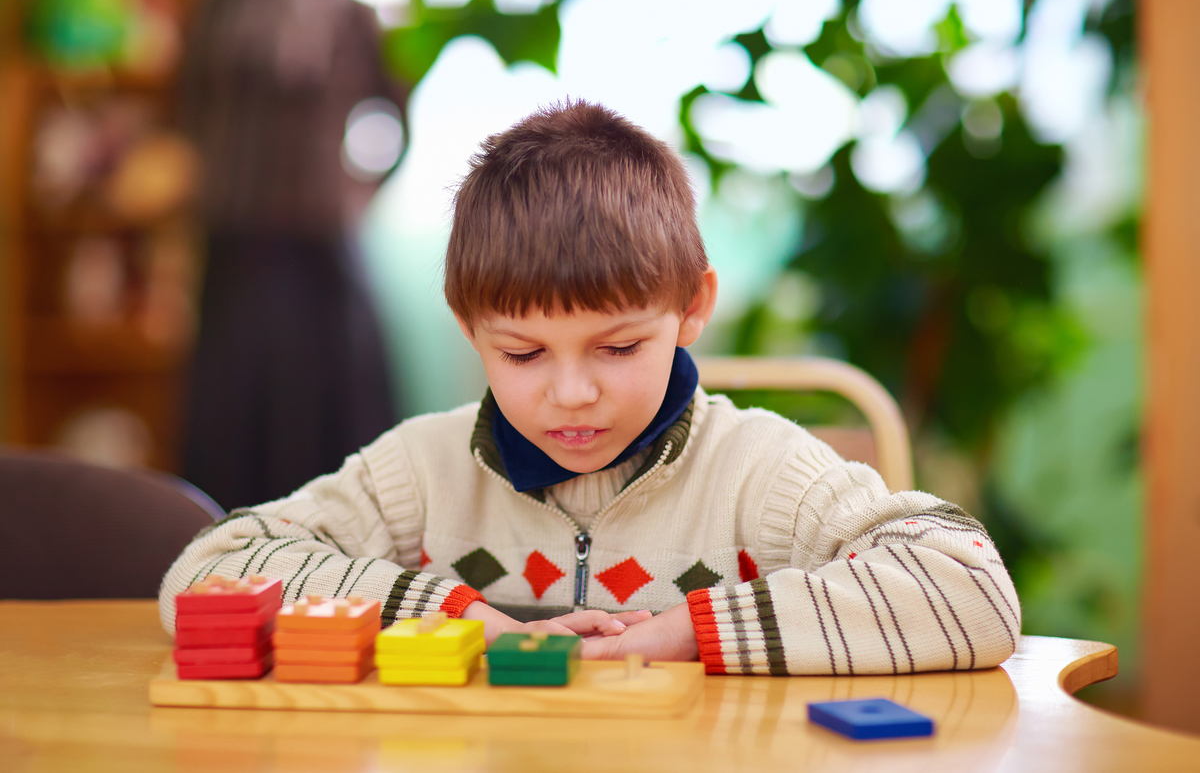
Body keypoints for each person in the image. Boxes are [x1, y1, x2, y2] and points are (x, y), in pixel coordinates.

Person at [159, 101, 1020, 675]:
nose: (571, 394)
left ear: (692, 310)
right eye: (524, 354)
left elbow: (974, 587)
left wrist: (694, 629)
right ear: (471, 331)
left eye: (616, 346)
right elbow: (206, 570)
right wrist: (462, 621)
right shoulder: (421, 471)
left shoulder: (762, 472)